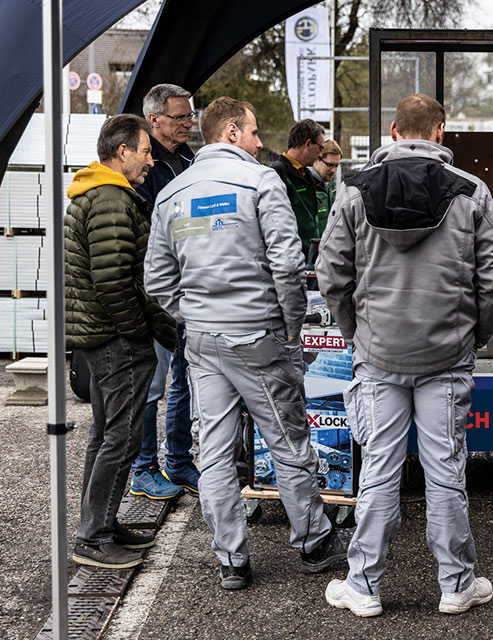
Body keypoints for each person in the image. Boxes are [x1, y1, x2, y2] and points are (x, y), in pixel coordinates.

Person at [317, 94, 493, 617]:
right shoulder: (472, 192)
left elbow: (332, 274)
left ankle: (362, 587)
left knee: (378, 470)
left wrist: (357, 331)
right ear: (441, 133)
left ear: (394, 129)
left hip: (378, 354)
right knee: (445, 470)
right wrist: (475, 335)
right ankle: (456, 585)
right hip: (446, 355)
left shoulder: (353, 190)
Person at [144, 96, 349, 590]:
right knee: (288, 441)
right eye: (255, 132)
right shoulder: (261, 181)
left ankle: (231, 560)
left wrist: (193, 316)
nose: (261, 142)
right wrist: (292, 325)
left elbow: (157, 279)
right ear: (232, 132)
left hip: (203, 341)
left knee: (212, 451)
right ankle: (314, 542)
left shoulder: (173, 192)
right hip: (260, 337)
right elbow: (287, 263)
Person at [64, 114, 176, 569]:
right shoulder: (111, 199)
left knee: (105, 433)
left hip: (99, 335)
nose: (151, 160)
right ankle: (93, 536)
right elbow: (113, 281)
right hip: (115, 338)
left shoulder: (99, 193)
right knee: (123, 436)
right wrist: (137, 331)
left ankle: (101, 523)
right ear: (122, 152)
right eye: (146, 151)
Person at [129, 83, 200, 500]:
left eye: (190, 116)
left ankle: (178, 460)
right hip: (157, 293)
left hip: (189, 288)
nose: (188, 123)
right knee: (153, 386)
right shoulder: (143, 167)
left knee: (184, 381)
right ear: (154, 120)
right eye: (179, 117)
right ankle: (143, 467)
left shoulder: (191, 160)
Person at [270, 119, 326, 258]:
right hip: (292, 258)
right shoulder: (278, 172)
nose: (320, 155)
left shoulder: (307, 174)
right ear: (308, 144)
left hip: (309, 256)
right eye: (320, 148)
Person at [309, 139, 342, 241]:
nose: (334, 170)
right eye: (329, 165)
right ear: (316, 159)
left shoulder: (331, 187)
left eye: (336, 165)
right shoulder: (307, 186)